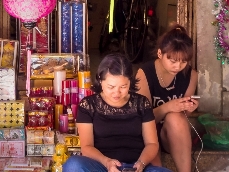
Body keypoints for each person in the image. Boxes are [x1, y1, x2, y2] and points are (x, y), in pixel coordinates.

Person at [63, 53, 171, 172]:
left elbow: (152, 144)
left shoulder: (142, 103)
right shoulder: (88, 105)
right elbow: (86, 147)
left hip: (136, 166)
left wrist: (141, 163)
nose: (117, 92)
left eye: (123, 87)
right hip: (102, 166)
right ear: (100, 80)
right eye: (111, 87)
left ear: (130, 81)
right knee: (73, 165)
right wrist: (107, 162)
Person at [135, 25, 198, 172]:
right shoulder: (144, 73)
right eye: (173, 61)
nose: (178, 66)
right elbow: (140, 119)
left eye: (183, 62)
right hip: (147, 132)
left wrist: (189, 108)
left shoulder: (191, 75)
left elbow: (182, 119)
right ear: (159, 53)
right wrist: (167, 107)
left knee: (175, 118)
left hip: (172, 135)